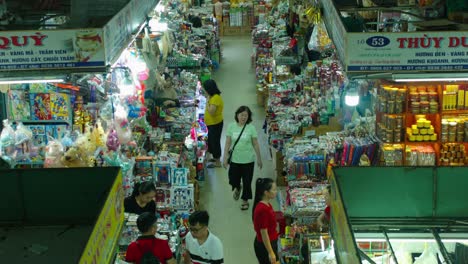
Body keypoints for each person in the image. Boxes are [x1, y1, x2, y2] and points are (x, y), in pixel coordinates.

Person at [223, 105, 262, 210]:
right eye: (241, 115)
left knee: (247, 181)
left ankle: (245, 200)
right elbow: (227, 143)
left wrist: (259, 158)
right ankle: (237, 187)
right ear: (237, 115)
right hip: (235, 159)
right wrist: (225, 157)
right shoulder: (231, 126)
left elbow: (255, 144)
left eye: (246, 115)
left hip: (248, 160)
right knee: (233, 179)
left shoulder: (251, 128)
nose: (243, 117)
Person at [252, 178, 279, 264]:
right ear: (266, 192)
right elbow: (264, 233)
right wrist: (271, 253)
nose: (276, 191)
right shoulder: (262, 209)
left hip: (271, 242)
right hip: (265, 246)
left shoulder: (266, 204)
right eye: (274, 190)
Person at [203, 79, 224, 168]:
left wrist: (207, 101)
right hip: (213, 124)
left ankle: (218, 162)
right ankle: (215, 158)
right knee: (212, 141)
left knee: (215, 142)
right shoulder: (213, 96)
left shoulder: (215, 98)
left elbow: (211, 112)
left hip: (215, 124)